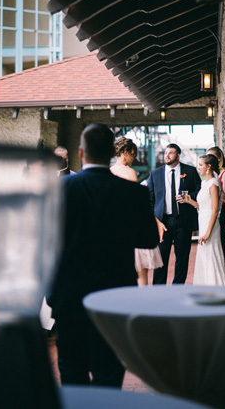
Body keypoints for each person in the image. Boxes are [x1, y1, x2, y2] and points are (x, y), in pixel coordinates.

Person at [48, 124, 159, 387]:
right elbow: (149, 239)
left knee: (72, 373)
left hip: (70, 295)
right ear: (112, 152)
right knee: (108, 374)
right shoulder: (135, 193)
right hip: (115, 294)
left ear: (80, 152)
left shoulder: (60, 190)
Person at [111, 136, 164, 286]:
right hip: (130, 226)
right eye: (133, 155)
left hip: (115, 227)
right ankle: (142, 303)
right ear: (125, 152)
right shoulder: (129, 172)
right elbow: (136, 203)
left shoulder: (109, 172)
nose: (133, 159)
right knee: (141, 273)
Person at [148, 143, 201, 285]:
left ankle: (177, 288)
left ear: (178, 156)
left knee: (182, 258)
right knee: (161, 258)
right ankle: (158, 290)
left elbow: (199, 191)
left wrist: (189, 197)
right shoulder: (155, 174)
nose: (167, 155)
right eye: (165, 153)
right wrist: (155, 221)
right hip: (163, 222)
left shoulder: (190, 171)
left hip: (183, 221)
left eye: (170, 153)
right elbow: (150, 200)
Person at [181, 154, 225, 285]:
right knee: (204, 254)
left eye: (200, 165)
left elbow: (215, 210)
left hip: (210, 223)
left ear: (208, 167)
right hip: (203, 219)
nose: (198, 167)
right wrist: (189, 201)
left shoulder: (213, 184)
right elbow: (201, 206)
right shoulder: (204, 183)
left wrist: (207, 233)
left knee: (211, 253)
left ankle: (215, 285)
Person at [207, 146, 225, 260]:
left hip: (222, 211)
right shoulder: (214, 175)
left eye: (211, 156)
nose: (208, 159)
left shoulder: (224, 174)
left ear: (219, 158)